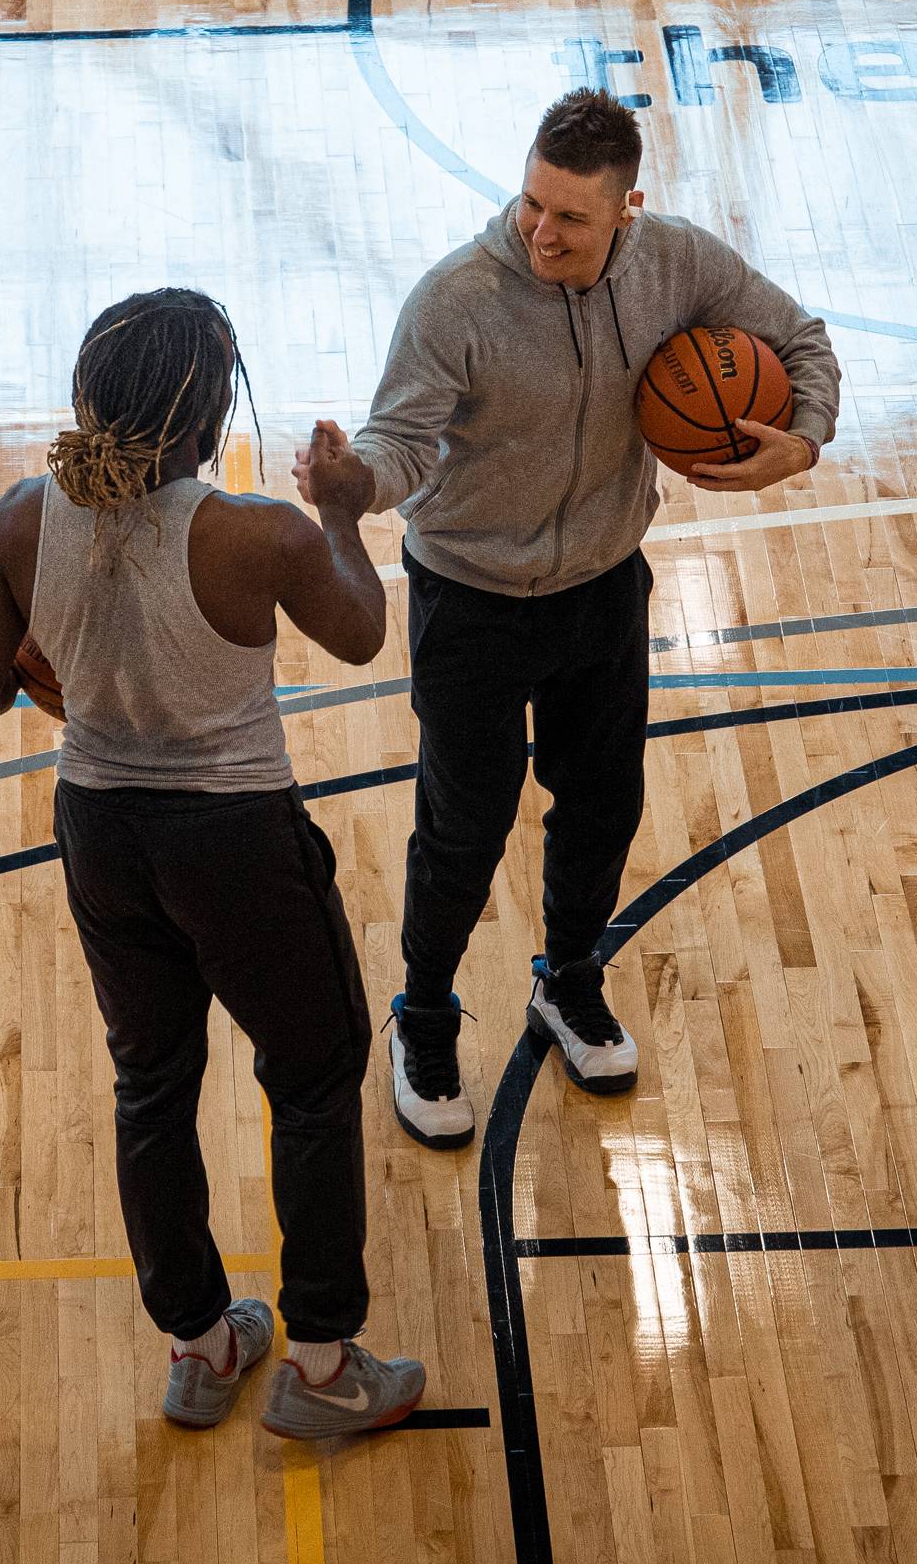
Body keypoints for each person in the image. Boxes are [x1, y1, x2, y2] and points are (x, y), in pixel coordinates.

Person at [298, 88, 842, 1148]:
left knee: (603, 806)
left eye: (571, 218)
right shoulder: (455, 300)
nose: (540, 231)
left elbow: (801, 337)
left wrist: (805, 436)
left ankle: (570, 977)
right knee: (463, 825)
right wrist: (351, 481)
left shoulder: (679, 264)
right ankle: (421, 1016)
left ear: (626, 209)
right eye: (531, 205)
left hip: (602, 585)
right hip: (471, 598)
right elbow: (402, 444)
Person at [0, 289, 426, 1438]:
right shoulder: (260, 535)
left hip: (101, 831)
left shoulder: (22, 518)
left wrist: (36, 645)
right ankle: (319, 1368)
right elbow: (362, 632)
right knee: (312, 1074)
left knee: (151, 1081)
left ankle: (203, 1348)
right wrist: (345, 515)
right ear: (212, 416)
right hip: (235, 842)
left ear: (88, 398)